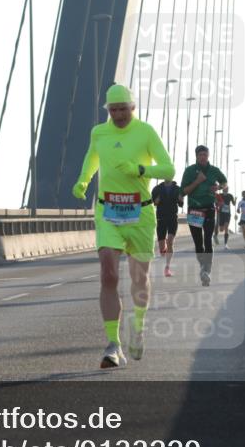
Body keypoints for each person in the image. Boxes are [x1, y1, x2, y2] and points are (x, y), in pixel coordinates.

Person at [73, 84, 174, 368]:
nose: (117, 115)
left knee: (139, 279)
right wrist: (83, 180)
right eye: (113, 110)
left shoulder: (145, 132)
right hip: (108, 211)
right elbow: (92, 158)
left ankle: (138, 329)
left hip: (140, 214)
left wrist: (141, 170)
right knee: (108, 274)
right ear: (108, 110)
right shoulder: (99, 132)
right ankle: (113, 344)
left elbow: (168, 170)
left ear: (132, 108)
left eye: (122, 109)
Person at [180, 145, 227, 286]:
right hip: (194, 210)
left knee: (207, 239)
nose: (203, 157)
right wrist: (197, 181)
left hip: (209, 209)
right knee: (198, 243)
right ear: (196, 156)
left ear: (208, 155)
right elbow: (183, 191)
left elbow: (224, 183)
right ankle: (202, 267)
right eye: (200, 154)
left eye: (205, 154)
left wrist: (218, 187)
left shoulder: (214, 170)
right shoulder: (189, 171)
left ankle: (207, 270)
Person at [151, 179, 182, 277]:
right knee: (161, 248)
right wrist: (156, 201)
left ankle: (167, 267)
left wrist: (181, 199)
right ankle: (163, 249)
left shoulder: (178, 189)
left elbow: (181, 203)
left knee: (170, 242)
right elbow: (154, 203)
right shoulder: (157, 189)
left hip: (173, 217)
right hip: (161, 218)